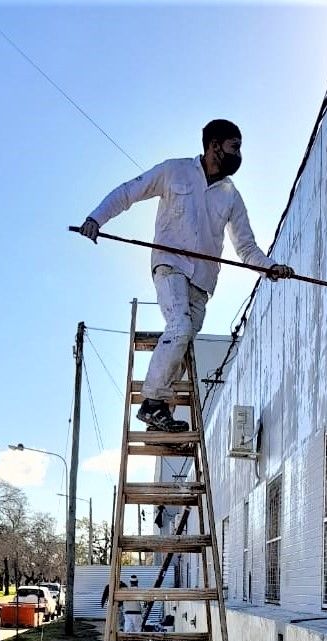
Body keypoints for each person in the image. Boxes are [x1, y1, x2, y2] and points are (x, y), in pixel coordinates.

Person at [78, 119, 294, 432]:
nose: (238, 154)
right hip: (169, 266)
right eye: (235, 147)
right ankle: (151, 402)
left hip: (203, 281)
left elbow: (246, 248)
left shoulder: (231, 196)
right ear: (215, 145)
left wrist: (269, 267)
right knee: (178, 329)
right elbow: (129, 192)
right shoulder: (173, 171)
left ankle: (159, 413)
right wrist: (96, 218)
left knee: (181, 343)